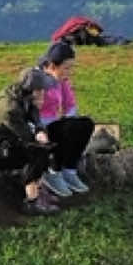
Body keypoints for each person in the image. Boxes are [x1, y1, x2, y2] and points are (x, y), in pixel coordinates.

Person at [0, 73, 61, 215]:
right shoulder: (10, 108)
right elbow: (26, 137)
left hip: (1, 144)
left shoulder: (22, 99)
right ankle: (32, 201)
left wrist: (40, 130)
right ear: (30, 91)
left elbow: (34, 116)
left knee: (40, 150)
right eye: (40, 90)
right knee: (36, 152)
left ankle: (39, 191)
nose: (44, 93)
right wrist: (41, 140)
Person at [19, 39, 95, 200]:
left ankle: (69, 171)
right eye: (66, 68)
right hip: (38, 129)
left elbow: (70, 105)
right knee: (67, 129)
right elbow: (28, 112)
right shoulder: (35, 79)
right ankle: (53, 171)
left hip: (53, 124)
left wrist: (72, 123)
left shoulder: (61, 81)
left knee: (85, 124)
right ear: (52, 66)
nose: (69, 72)